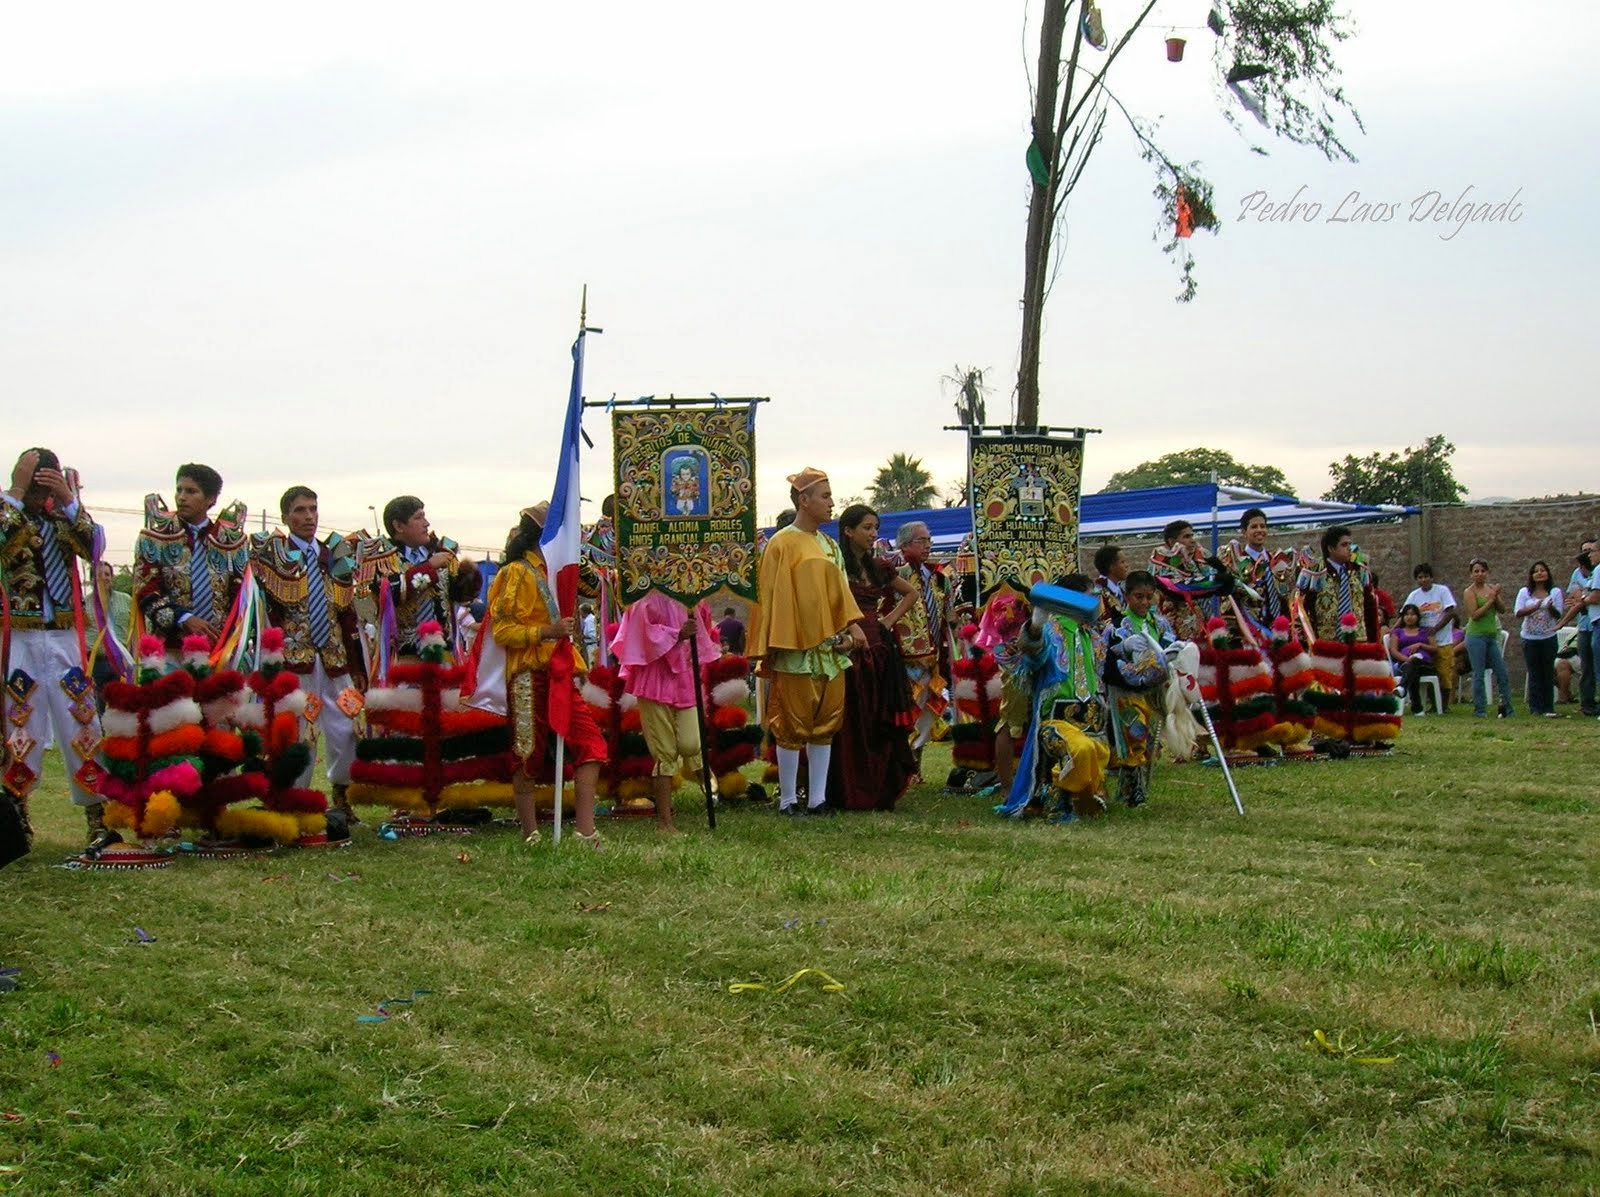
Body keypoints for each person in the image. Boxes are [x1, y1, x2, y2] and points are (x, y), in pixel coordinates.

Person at [0, 448, 109, 851]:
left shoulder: (63, 518)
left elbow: (94, 545)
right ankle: (16, 817)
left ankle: (98, 817)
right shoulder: (5, 511)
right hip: (18, 636)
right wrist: (13, 490)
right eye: (33, 478)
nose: (37, 487)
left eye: (46, 477)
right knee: (19, 724)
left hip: (64, 634)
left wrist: (68, 499)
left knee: (81, 722)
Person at [748, 467, 866, 817]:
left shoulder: (830, 545)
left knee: (826, 724)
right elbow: (768, 595)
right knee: (791, 725)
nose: (832, 503)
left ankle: (817, 799)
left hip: (830, 650)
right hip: (795, 648)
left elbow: (841, 594)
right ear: (805, 500)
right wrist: (774, 641)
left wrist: (849, 630)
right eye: (825, 496)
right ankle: (787, 800)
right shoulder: (781, 542)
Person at [490, 503, 608, 845]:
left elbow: (597, 587)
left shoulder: (560, 569)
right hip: (528, 673)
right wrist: (547, 631)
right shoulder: (516, 572)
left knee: (591, 744)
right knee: (528, 752)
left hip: (561, 671)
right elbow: (503, 631)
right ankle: (531, 834)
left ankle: (585, 831)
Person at [251, 486, 367, 814]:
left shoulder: (335, 555)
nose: (309, 517)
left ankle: (342, 796)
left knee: (347, 724)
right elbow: (267, 615)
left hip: (335, 658)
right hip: (294, 658)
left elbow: (348, 614)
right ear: (286, 516)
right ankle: (294, 799)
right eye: (300, 511)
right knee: (299, 728)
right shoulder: (274, 556)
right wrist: (271, 663)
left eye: (313, 509)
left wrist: (357, 665)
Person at [994, 574, 1109, 822]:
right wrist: (1035, 626)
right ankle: (1059, 806)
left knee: (1098, 751)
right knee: (1080, 749)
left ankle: (1081, 796)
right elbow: (1033, 655)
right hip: (1055, 720)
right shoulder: (1051, 630)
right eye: (1090, 597)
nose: (1095, 603)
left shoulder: (1094, 636)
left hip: (1090, 720)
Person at [830, 504, 918, 812]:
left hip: (879, 650)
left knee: (877, 722)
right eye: (867, 527)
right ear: (848, 531)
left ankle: (879, 788)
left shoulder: (879, 566)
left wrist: (888, 620)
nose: (873, 534)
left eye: (875, 528)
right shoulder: (835, 565)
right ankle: (848, 789)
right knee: (851, 722)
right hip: (848, 649)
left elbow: (911, 593)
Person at [609, 589, 719, 833]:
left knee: (692, 743)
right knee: (664, 752)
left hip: (685, 678)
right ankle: (665, 823)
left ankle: (703, 776)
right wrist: (676, 634)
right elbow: (640, 632)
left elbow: (703, 633)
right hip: (655, 678)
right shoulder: (645, 596)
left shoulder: (694, 597)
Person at [133, 464, 249, 659]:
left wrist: (231, 637)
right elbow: (145, 592)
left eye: (191, 491)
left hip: (219, 650)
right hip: (171, 649)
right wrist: (184, 618)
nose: (181, 497)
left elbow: (241, 597)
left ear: (210, 499)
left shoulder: (231, 543)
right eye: (179, 490)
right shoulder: (155, 538)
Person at [364, 495, 476, 661]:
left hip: (443, 654)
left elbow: (458, 598)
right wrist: (429, 567)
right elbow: (390, 593)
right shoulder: (383, 560)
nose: (427, 523)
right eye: (418, 518)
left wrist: (469, 578)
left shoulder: (440, 553)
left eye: (424, 516)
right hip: (404, 656)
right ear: (399, 526)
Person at [893, 520, 951, 776]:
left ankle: (916, 766)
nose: (927, 546)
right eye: (921, 541)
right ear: (904, 545)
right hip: (903, 658)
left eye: (929, 541)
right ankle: (901, 766)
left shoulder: (938, 577)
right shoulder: (894, 574)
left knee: (927, 712)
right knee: (905, 712)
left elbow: (947, 615)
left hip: (932, 658)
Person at [1218, 508, 1296, 636]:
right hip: (1247, 633)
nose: (1259, 530)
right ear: (1244, 532)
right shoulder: (1235, 563)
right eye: (1254, 527)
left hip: (1278, 631)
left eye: (1263, 526)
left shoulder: (1277, 562)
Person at [1297, 526, 1377, 641]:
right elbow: (1304, 609)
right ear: (1330, 548)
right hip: (1327, 644)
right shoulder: (1315, 572)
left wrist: (1373, 643)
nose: (1349, 548)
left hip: (1358, 642)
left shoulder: (1359, 571)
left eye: (1350, 544)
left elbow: (1370, 609)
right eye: (1344, 545)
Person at [1460, 557, 1514, 718]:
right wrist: (1490, 600)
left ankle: (1508, 708)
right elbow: (1474, 614)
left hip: (1491, 636)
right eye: (1476, 571)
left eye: (1483, 571)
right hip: (1476, 636)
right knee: (1478, 674)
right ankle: (1480, 709)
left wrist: (1495, 596)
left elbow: (1503, 609)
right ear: (1471, 574)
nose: (1480, 574)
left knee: (1501, 672)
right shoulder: (1469, 592)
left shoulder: (1490, 589)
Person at [1402, 563, 1458, 711]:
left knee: (1444, 673)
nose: (1424, 580)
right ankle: (1431, 703)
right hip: (1423, 642)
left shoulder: (1442, 591)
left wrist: (1435, 629)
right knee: (1428, 671)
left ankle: (1443, 706)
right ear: (1416, 579)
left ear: (1432, 577)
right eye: (1420, 577)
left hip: (1443, 640)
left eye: (1426, 576)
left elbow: (1450, 612)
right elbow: (1404, 614)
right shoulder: (1414, 595)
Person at [1513, 561, 1563, 717]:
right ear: (1531, 576)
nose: (1540, 573)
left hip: (1548, 637)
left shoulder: (1555, 592)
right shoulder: (1524, 593)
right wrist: (1536, 606)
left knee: (1547, 672)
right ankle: (1535, 708)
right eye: (1536, 571)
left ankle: (1548, 707)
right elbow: (1518, 612)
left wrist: (1549, 607)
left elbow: (1559, 615)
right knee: (1534, 672)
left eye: (1543, 570)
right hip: (1530, 638)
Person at [86, 560, 132, 710]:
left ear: (112, 578)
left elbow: (139, 627)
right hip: (95, 664)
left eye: (107, 574)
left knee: (122, 706)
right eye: (99, 575)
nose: (103, 578)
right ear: (92, 579)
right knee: (97, 708)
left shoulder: (126, 599)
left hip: (122, 663)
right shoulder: (84, 604)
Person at [1558, 541, 1596, 716]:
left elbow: (1584, 599)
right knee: (1587, 666)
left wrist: (1583, 597)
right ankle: (1587, 703)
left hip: (1597, 623)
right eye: (1585, 551)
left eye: (1591, 551)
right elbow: (1574, 598)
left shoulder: (1598, 572)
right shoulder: (1578, 574)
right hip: (1585, 626)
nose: (1588, 554)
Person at [1386, 603, 1436, 715]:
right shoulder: (1397, 632)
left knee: (1414, 665)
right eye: (1406, 614)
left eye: (1413, 614)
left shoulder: (1426, 631)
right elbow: (1393, 651)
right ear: (1403, 617)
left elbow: (1435, 648)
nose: (1409, 617)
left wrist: (1420, 645)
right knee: (1412, 667)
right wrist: (1407, 659)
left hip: (1425, 664)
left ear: (1418, 616)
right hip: (1405, 663)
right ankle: (1417, 707)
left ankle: (1402, 687)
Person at [1091, 544, 1129, 628]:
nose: (1127, 565)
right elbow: (1102, 625)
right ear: (1111, 566)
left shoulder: (1120, 590)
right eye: (1122, 562)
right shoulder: (1099, 592)